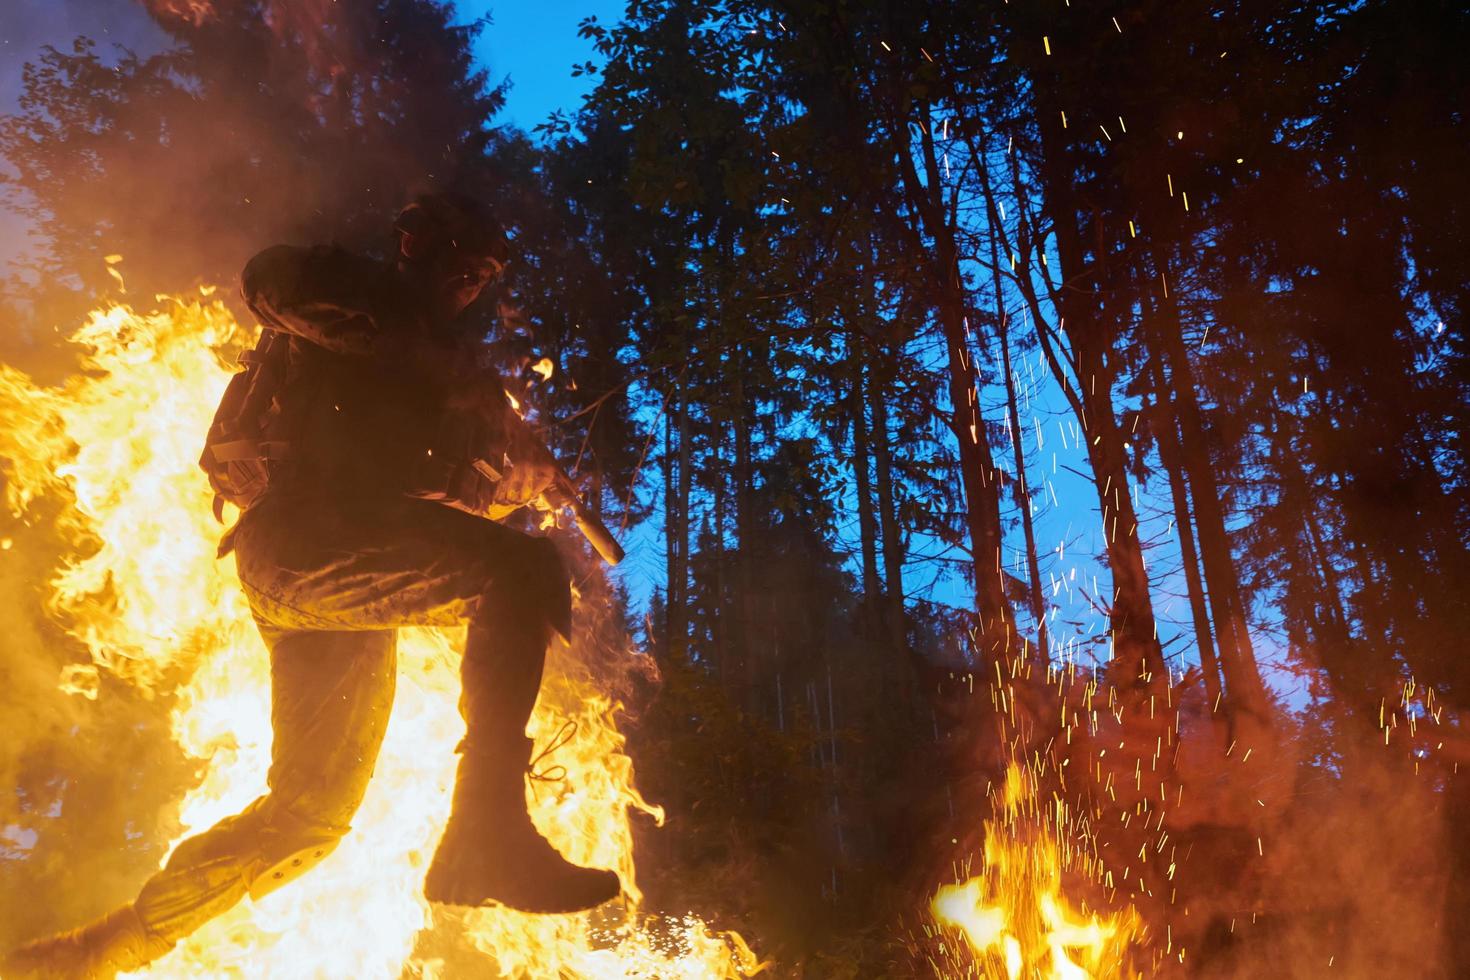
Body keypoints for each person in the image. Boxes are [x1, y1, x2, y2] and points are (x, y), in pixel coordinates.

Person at [2, 193, 621, 979]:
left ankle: (102, 949)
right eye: (461, 251)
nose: (472, 275)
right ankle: (490, 826)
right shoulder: (360, 301)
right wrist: (429, 356)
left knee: (310, 818)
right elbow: (268, 281)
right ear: (411, 241)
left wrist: (514, 478)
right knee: (520, 570)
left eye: (488, 268)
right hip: (298, 541)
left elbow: (444, 513)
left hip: (347, 590)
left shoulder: (453, 391)